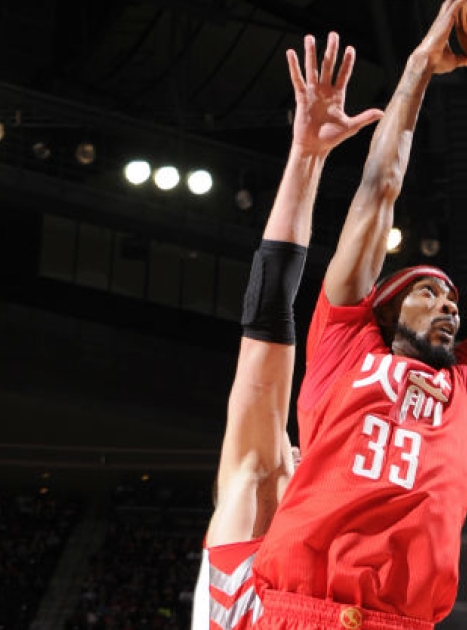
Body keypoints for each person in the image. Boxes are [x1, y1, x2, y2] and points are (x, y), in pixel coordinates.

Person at [251, 0, 467, 628]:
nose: (450, 304)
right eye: (429, 292)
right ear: (385, 307)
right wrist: (420, 66)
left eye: (454, 300)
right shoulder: (345, 346)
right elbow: (379, 191)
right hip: (301, 610)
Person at [190, 32, 383, 630]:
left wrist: (308, 157)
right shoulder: (256, 490)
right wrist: (306, 157)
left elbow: (268, 315)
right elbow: (269, 317)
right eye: (297, 449)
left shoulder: (324, 568)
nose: (297, 450)